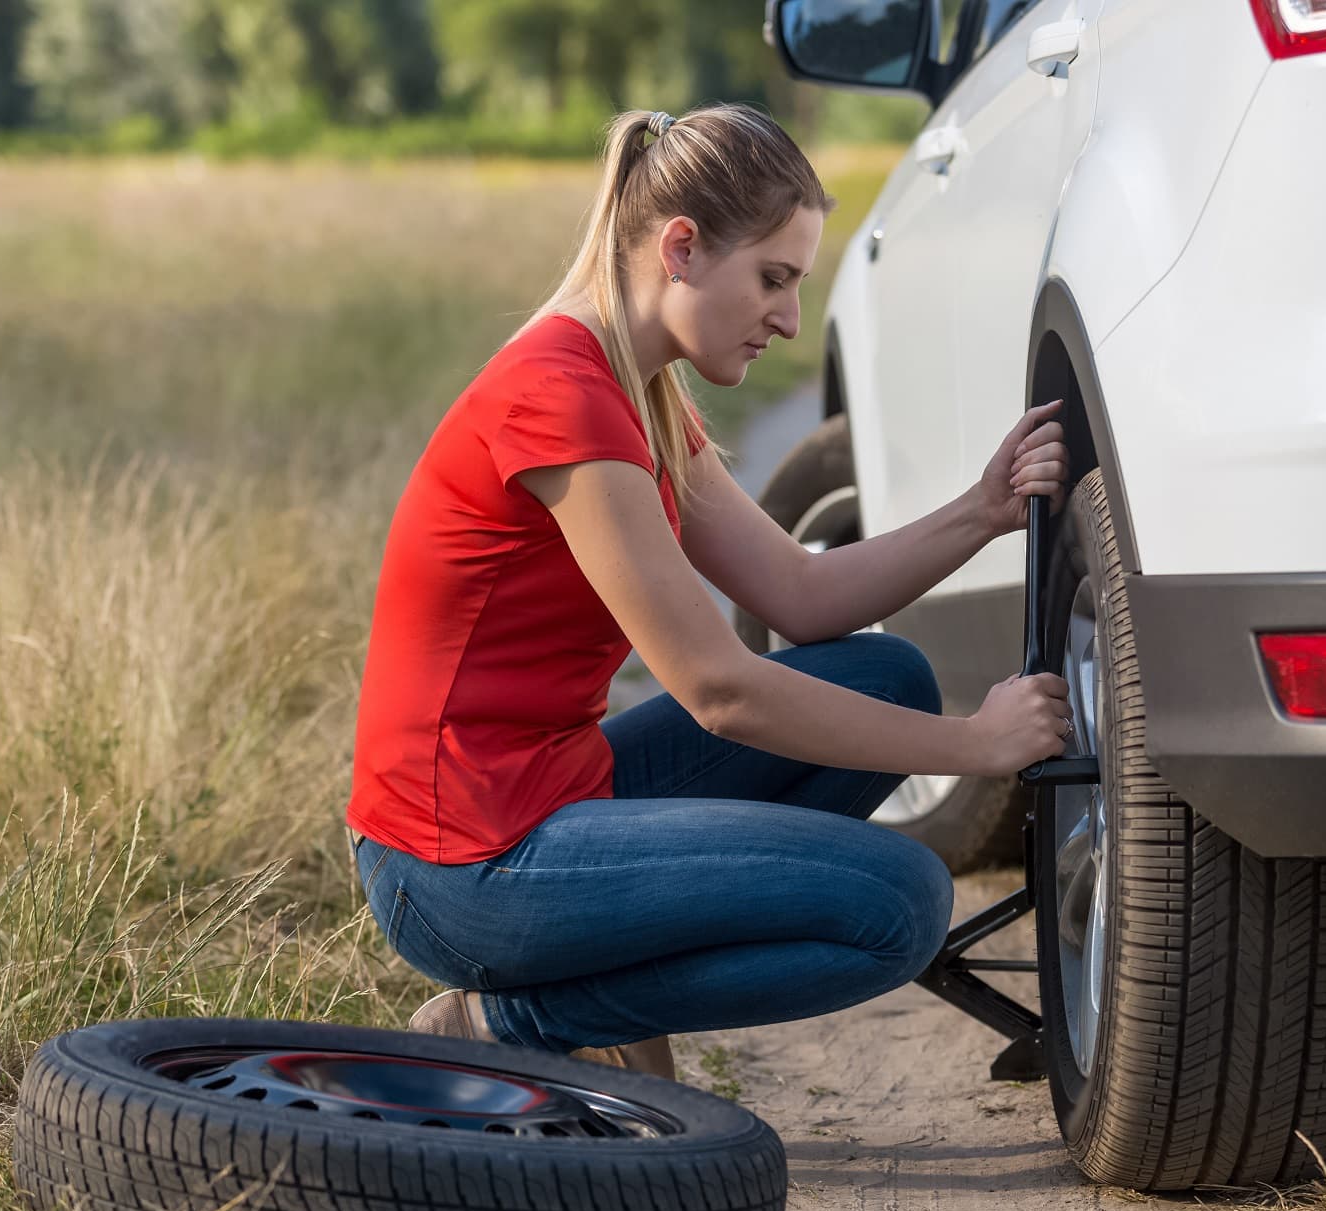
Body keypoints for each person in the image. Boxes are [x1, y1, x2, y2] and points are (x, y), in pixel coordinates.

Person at [345, 103, 1071, 1080]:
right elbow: (717, 689)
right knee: (896, 901)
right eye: (773, 279)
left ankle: (581, 1001)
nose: (787, 318)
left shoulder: (634, 389)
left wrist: (980, 509)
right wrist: (970, 747)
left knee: (886, 672)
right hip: (458, 866)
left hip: (552, 795)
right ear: (681, 248)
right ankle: (514, 1017)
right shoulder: (558, 391)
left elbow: (801, 595)